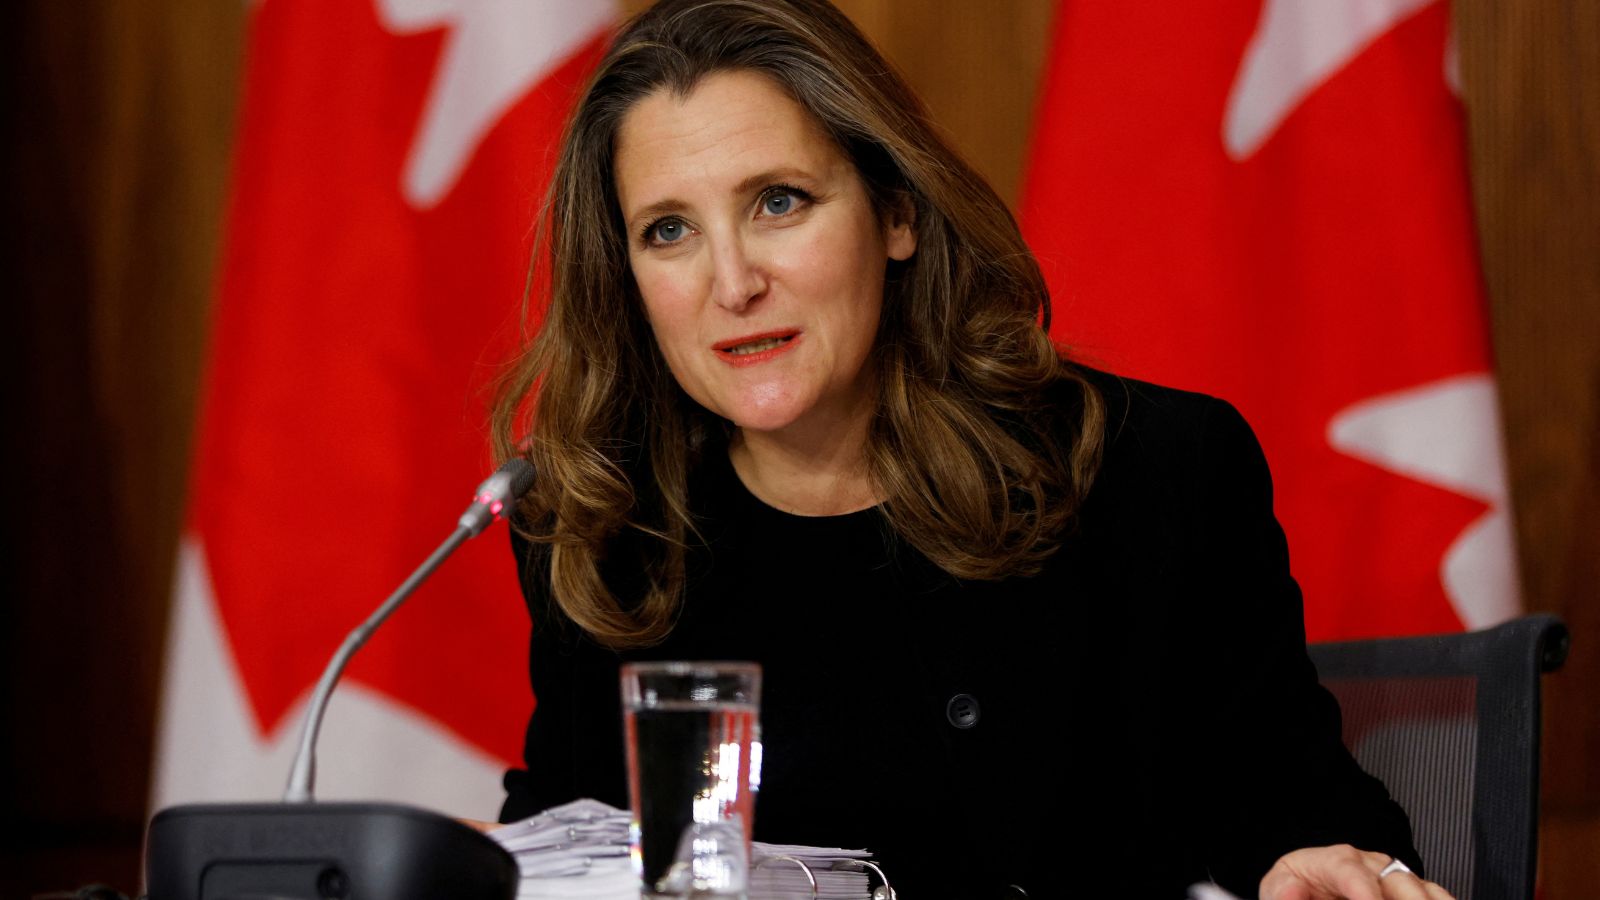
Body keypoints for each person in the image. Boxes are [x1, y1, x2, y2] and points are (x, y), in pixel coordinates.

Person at [491, 1, 1453, 897]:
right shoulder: (606, 534)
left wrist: (1327, 869)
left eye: (779, 202)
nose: (733, 283)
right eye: (669, 230)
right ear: (626, 279)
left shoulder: (1148, 474)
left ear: (897, 213)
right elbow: (560, 850)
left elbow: (1311, 821)